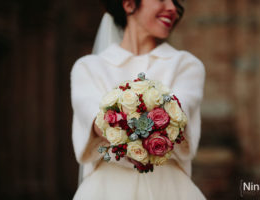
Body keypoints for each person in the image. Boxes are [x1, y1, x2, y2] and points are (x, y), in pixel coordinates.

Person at [70, 0, 206, 199]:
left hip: (169, 189)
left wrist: (117, 124)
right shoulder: (88, 68)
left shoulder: (186, 65)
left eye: (174, 1)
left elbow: (175, 118)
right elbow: (99, 125)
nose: (171, 8)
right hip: (106, 191)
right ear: (128, 4)